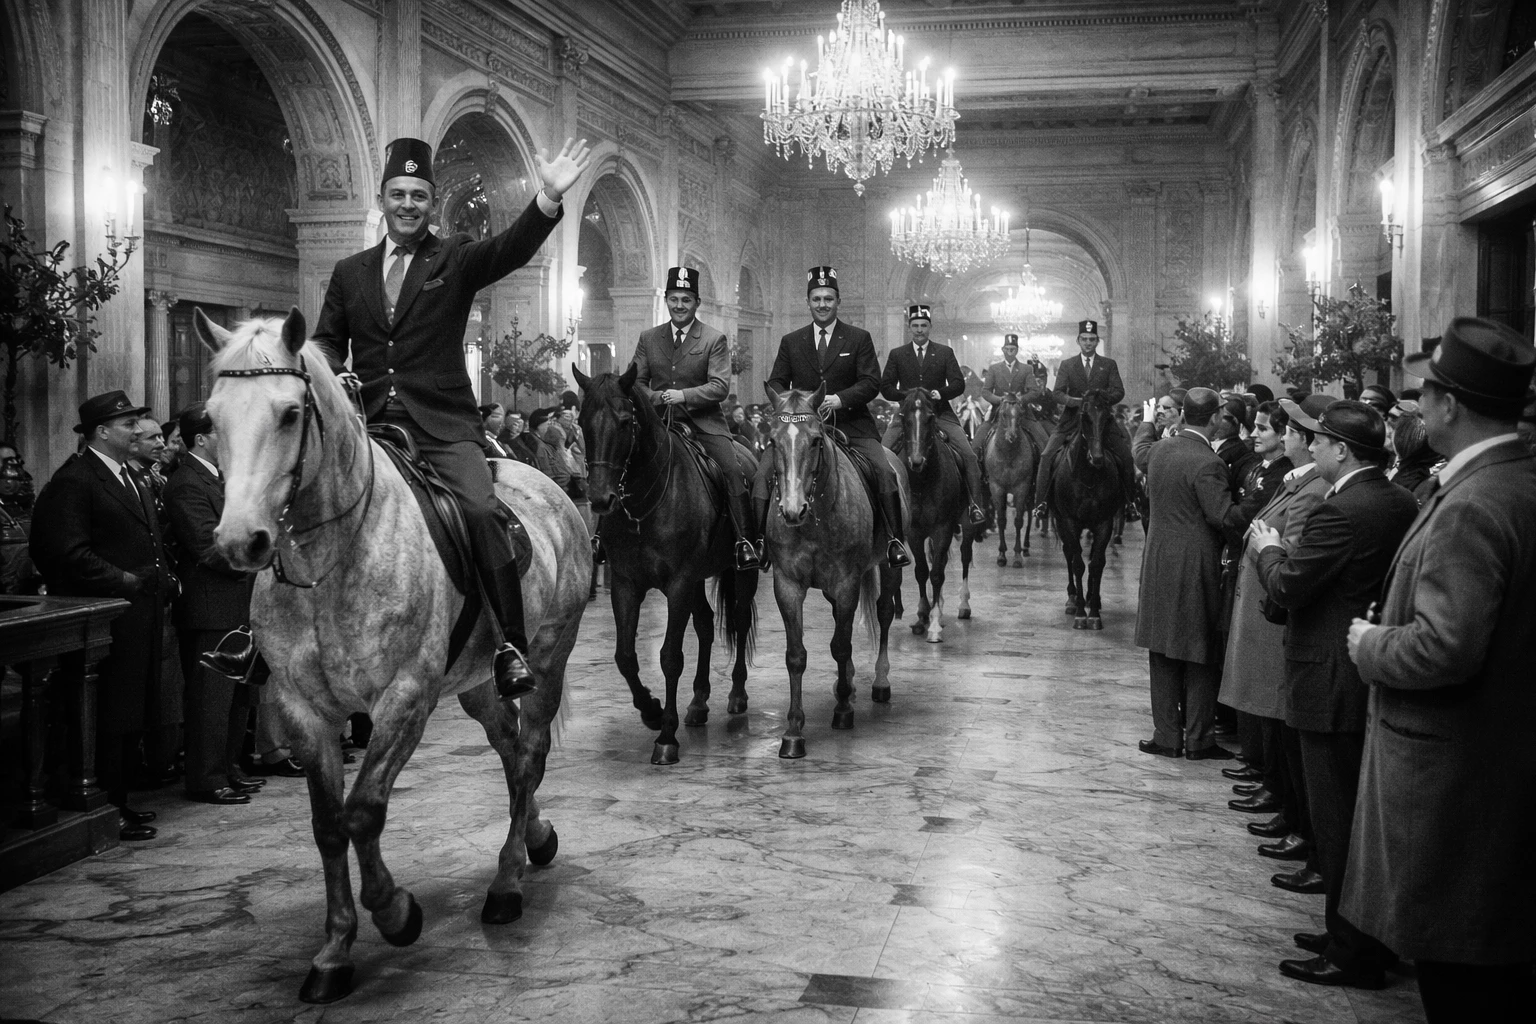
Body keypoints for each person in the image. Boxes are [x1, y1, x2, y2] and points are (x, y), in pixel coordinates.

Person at [312, 134, 591, 702]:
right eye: (398, 193)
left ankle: (510, 643)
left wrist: (546, 198)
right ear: (383, 197)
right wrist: (330, 374)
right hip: (365, 423)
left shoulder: (455, 257)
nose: (408, 204)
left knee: (482, 508)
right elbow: (323, 344)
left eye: (419, 194)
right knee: (294, 495)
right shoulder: (349, 272)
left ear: (432, 201)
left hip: (439, 426)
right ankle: (260, 639)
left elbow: (511, 248)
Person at [1344, 317, 1536, 1022]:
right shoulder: (1513, 479)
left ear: (1449, 406)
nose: (1415, 409)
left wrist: (1370, 645)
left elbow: (1444, 648)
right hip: (1498, 776)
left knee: (1462, 985)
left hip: (1455, 787)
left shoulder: (1476, 504)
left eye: (1423, 397)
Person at [1249, 399, 1419, 990]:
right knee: (1360, 819)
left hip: (1327, 678)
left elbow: (1292, 586)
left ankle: (1352, 952)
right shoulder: (1400, 499)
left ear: (1342, 450)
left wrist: (1267, 548)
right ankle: (1358, 934)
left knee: (1338, 822)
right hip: (1365, 677)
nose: (1312, 447)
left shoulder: (1337, 511)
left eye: (1319, 441)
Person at [28, 391, 177, 841]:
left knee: (128, 713)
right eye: (128, 424)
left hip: (138, 618)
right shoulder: (76, 479)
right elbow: (62, 553)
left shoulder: (128, 476)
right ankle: (102, 803)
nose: (137, 430)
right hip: (104, 621)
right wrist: (127, 581)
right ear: (102, 432)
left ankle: (119, 799)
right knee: (107, 715)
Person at [1220, 398, 1330, 862]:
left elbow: (1292, 546)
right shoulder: (1296, 481)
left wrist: (1266, 547)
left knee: (1277, 712)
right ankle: (1278, 795)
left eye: (1289, 433)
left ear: (1308, 442)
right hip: (1262, 603)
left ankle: (1289, 809)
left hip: (1276, 608)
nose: (1282, 438)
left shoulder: (1313, 488)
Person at [756, 265, 912, 567]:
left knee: (884, 470)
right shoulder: (792, 341)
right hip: (800, 426)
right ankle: (758, 543)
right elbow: (776, 381)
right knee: (762, 473)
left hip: (852, 425)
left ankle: (894, 540)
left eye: (828, 298)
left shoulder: (858, 338)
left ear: (837, 301)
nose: (822, 304)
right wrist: (795, 403)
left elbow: (871, 382)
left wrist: (839, 400)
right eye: (816, 299)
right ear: (808, 302)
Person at [626, 265, 760, 569]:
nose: (679, 306)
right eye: (674, 299)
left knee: (731, 470)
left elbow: (720, 387)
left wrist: (684, 395)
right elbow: (635, 382)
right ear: (666, 301)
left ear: (696, 303)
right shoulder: (649, 338)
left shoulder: (713, 339)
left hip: (704, 424)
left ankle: (745, 542)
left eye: (686, 300)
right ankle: (604, 539)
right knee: (620, 464)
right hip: (657, 423)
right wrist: (658, 397)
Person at [1134, 388, 1243, 760]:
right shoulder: (1208, 462)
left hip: (1158, 558)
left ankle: (1166, 735)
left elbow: (1141, 453)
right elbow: (1222, 516)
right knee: (1200, 649)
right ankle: (1198, 738)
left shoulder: (1160, 451)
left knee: (1162, 648)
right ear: (1213, 418)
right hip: (1196, 563)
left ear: (1183, 416)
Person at [162, 403, 259, 806]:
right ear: (201, 439)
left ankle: (229, 767)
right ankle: (205, 777)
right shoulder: (186, 483)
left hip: (241, 603)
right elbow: (205, 545)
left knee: (240, 696)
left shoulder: (224, 479)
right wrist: (257, 561)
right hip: (210, 606)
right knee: (210, 699)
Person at [879, 304, 987, 525]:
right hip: (907, 416)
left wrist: (941, 393)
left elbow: (958, 383)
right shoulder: (898, 354)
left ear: (930, 327)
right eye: (915, 325)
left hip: (940, 414)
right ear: (910, 327)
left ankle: (975, 504)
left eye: (923, 326)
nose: (919, 330)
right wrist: (905, 397)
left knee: (968, 454)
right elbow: (886, 386)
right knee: (882, 455)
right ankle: (880, 509)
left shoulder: (944, 352)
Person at [1034, 319, 1136, 513]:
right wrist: (1076, 402)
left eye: (1092, 339)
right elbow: (1057, 393)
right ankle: (1041, 503)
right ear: (1078, 341)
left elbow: (1119, 391)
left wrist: (1100, 399)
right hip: (1071, 420)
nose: (1088, 343)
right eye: (1084, 339)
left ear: (1097, 341)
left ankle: (1130, 503)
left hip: (1100, 421)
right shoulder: (1068, 365)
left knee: (1125, 456)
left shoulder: (1108, 365)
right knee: (1047, 455)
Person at [974, 333, 1051, 461]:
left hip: (1023, 414)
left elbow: (1034, 391)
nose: (1010, 352)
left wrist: (1022, 399)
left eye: (1013, 349)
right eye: (1007, 349)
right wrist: (999, 400)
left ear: (1017, 350)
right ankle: (980, 474)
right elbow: (986, 391)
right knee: (976, 444)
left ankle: (1043, 477)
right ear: (1003, 350)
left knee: (1045, 443)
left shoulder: (1026, 369)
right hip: (998, 414)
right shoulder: (994, 369)